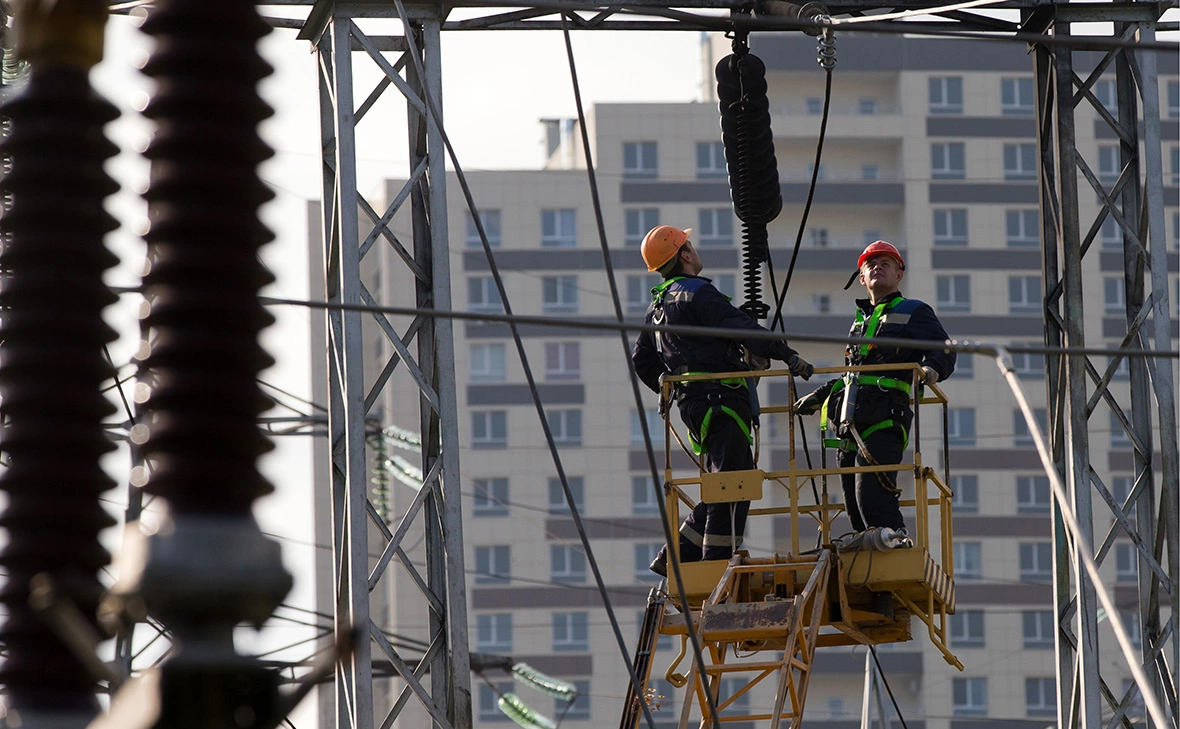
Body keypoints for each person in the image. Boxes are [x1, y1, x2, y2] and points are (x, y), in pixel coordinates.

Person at [631, 225, 813, 576]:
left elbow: (642, 359)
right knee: (733, 481)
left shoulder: (657, 307)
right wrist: (786, 354)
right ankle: (716, 563)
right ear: (684, 254)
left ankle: (677, 552)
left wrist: (668, 387)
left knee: (730, 477)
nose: (695, 250)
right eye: (690, 246)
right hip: (720, 400)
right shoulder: (697, 293)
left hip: (696, 405)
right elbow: (738, 327)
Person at [794, 240, 955, 550]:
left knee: (872, 493)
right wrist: (821, 394)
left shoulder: (914, 310)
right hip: (851, 419)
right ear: (862, 278)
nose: (877, 267)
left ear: (899, 275)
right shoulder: (859, 323)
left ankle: (896, 542)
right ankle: (872, 549)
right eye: (870, 264)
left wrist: (932, 370)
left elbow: (942, 348)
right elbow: (854, 372)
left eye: (885, 263)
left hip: (885, 413)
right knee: (853, 503)